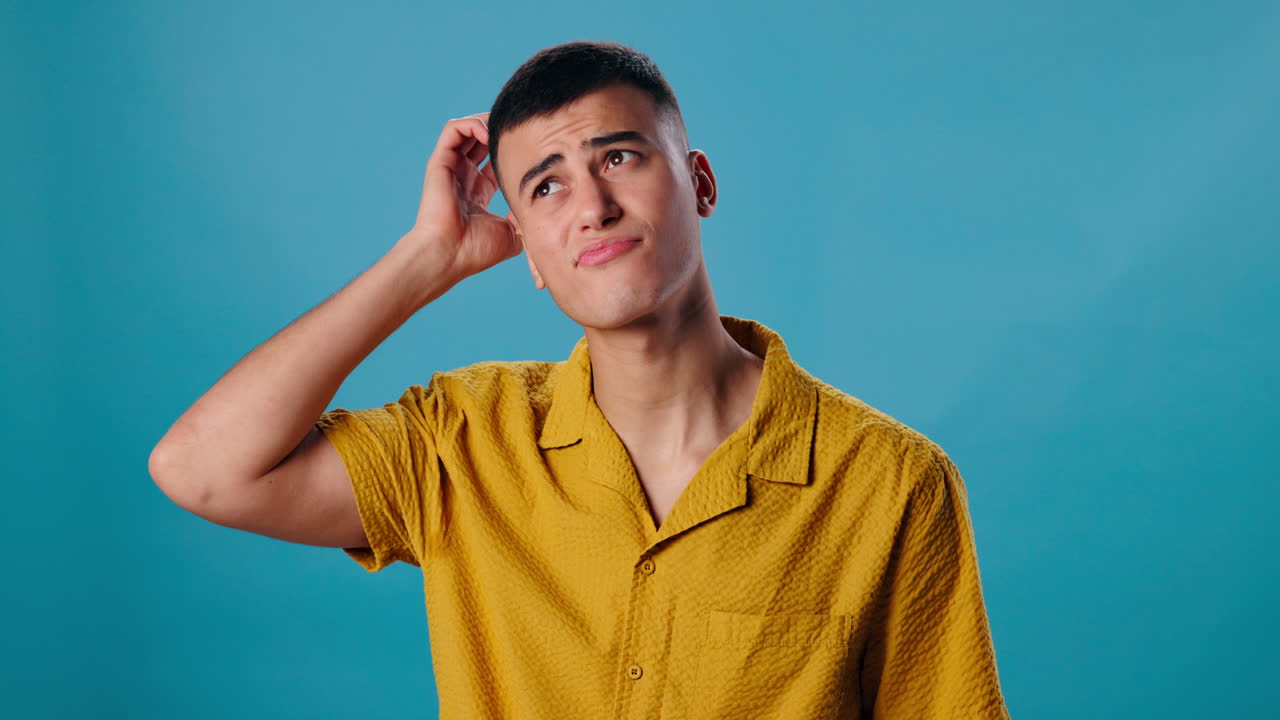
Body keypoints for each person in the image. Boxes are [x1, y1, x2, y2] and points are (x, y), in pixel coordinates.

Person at [149, 40, 1011, 719]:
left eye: (621, 159)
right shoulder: (461, 442)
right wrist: (427, 258)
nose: (591, 207)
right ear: (523, 244)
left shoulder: (890, 482)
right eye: (546, 187)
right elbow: (202, 469)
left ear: (699, 182)